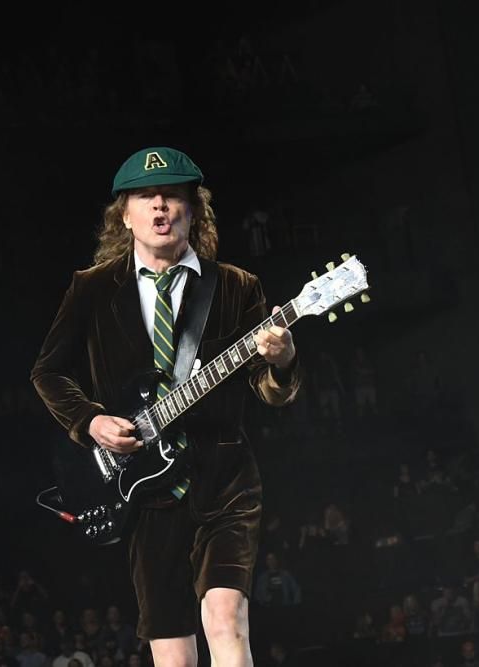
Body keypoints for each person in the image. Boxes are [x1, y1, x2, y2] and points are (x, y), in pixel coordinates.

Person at [29, 146, 301, 667]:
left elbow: (269, 390)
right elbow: (48, 372)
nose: (159, 205)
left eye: (173, 195)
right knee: (173, 653)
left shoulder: (235, 286)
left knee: (225, 619)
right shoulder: (91, 289)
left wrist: (283, 360)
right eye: (145, 197)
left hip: (223, 478)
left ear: (193, 211)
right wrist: (90, 421)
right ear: (125, 215)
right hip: (143, 490)